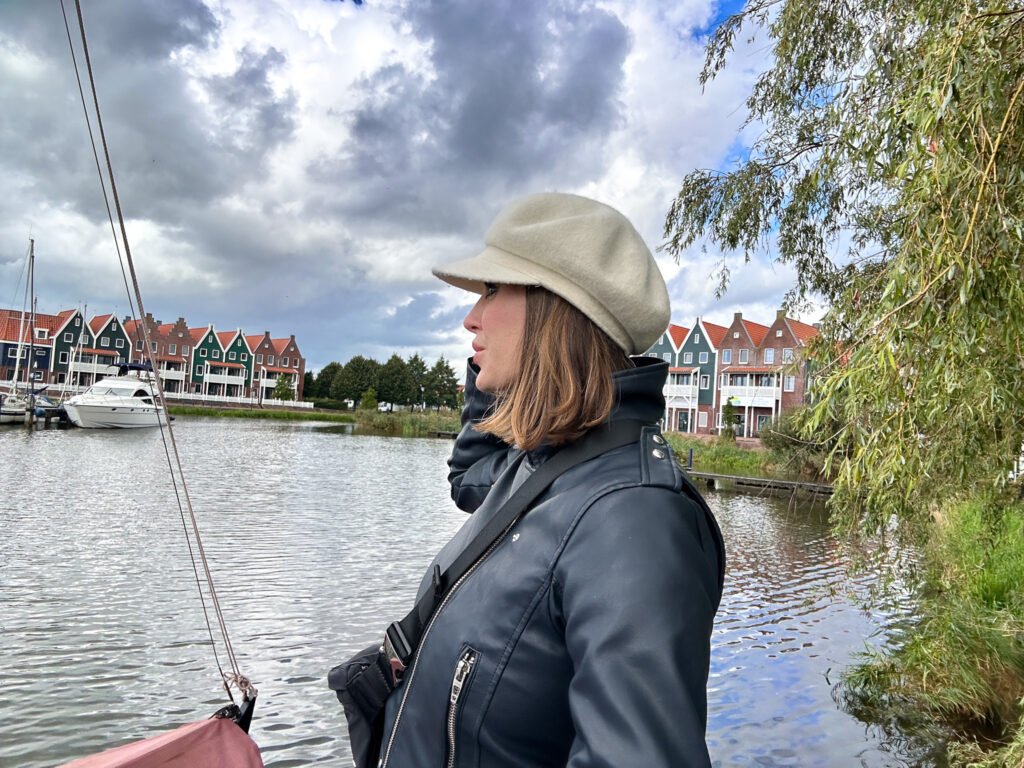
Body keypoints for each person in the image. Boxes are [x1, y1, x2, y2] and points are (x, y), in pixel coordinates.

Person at [377, 192, 725, 767]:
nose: (471, 317)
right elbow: (468, 476)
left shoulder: (632, 520)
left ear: (552, 309)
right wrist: (500, 380)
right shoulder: (546, 464)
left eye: (491, 290)